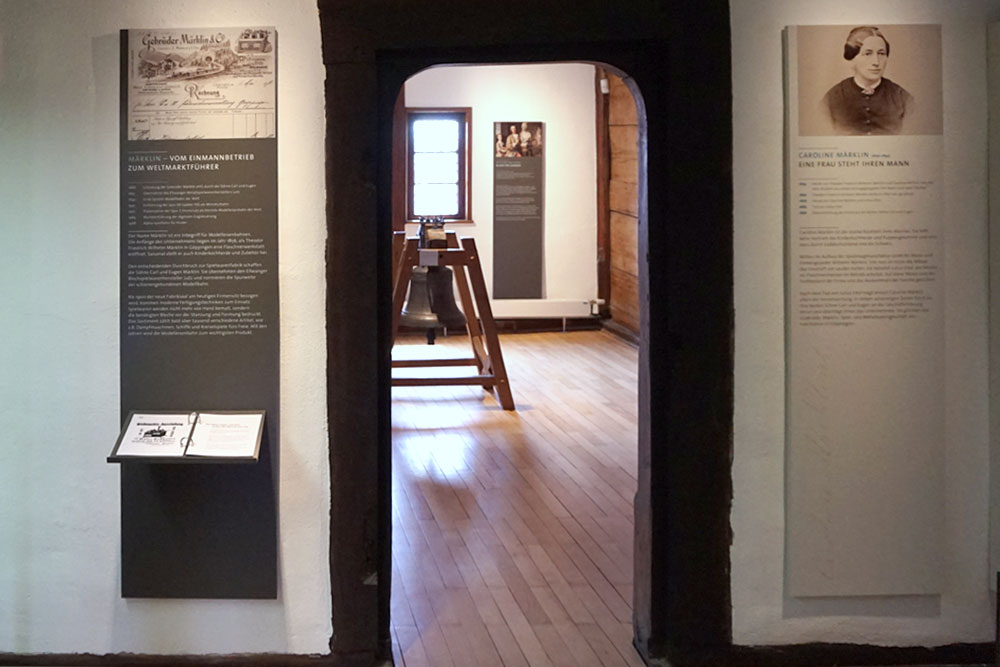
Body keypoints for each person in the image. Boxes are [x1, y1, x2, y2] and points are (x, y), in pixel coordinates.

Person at [821, 26, 913, 135]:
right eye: (868, 53)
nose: (876, 62)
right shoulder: (833, 98)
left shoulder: (902, 99)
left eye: (881, 53)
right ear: (852, 59)